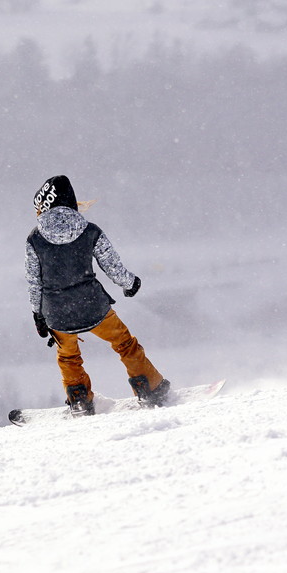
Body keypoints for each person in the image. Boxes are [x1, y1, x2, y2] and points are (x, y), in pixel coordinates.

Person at [24, 175, 170, 416]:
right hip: (92, 305)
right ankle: (149, 387)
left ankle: (79, 398)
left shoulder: (34, 239)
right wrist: (129, 283)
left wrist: (37, 314)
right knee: (124, 344)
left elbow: (34, 281)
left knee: (68, 356)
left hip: (57, 312)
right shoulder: (90, 231)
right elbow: (111, 265)